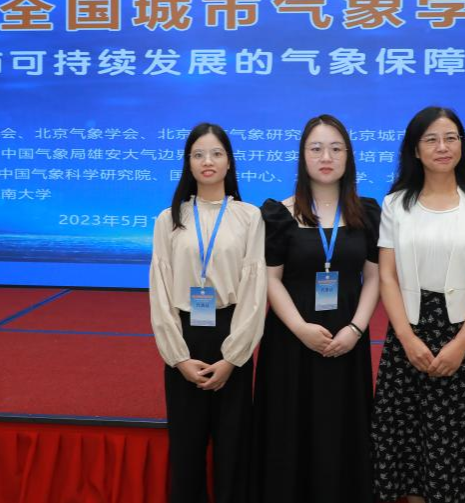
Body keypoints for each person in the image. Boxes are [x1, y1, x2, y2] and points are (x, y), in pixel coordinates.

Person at [372, 106, 465, 503]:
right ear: (415, 150)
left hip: (463, 335)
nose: (442, 147)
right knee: (409, 447)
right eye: (431, 139)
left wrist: (462, 343)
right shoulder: (396, 204)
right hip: (409, 334)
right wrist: (406, 338)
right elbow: (387, 277)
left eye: (451, 138)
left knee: (457, 448)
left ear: (462, 145)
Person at [253, 114, 381, 503]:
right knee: (289, 431)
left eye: (336, 148)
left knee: (339, 431)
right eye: (317, 148)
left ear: (349, 157)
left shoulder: (367, 213)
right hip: (291, 343)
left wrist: (356, 330)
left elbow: (374, 277)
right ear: (302, 156)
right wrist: (300, 329)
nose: (326, 157)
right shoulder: (279, 213)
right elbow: (270, 279)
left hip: (346, 341)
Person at [149, 122, 266, 503]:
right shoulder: (170, 218)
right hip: (185, 336)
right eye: (198, 154)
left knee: (233, 447)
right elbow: (161, 291)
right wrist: (178, 358)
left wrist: (233, 358)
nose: (207, 161)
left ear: (229, 162)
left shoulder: (249, 216)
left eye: (216, 153)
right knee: (187, 448)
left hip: (231, 334)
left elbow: (254, 289)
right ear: (188, 163)